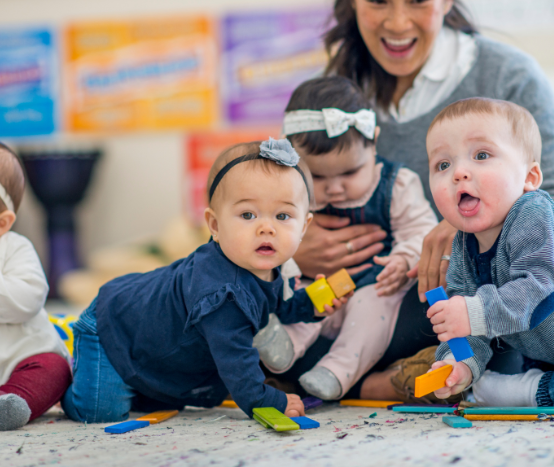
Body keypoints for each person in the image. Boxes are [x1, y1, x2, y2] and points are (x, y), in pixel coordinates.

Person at [288, 0, 554, 400]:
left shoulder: (507, 77)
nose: (398, 23)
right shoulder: (336, 98)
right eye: (377, 0)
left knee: (455, 320)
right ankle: (371, 378)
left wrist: (461, 231)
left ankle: (373, 381)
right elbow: (280, 195)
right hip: (356, 298)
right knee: (243, 305)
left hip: (455, 302)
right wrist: (297, 241)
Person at [62, 139, 352, 423]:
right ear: (215, 225)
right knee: (101, 411)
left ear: (304, 226)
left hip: (148, 342)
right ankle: (63, 373)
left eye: (283, 215)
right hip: (111, 326)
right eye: (248, 215)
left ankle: (133, 382)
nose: (267, 228)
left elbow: (279, 306)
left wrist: (312, 305)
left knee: (154, 398)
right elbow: (236, 363)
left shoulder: (268, 267)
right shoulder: (222, 294)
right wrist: (267, 400)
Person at [254, 77, 437, 400]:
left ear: (374, 143)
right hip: (319, 286)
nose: (335, 188)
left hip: (375, 285)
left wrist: (404, 259)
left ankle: (337, 372)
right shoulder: (287, 191)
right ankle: (282, 349)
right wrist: (288, 255)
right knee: (300, 299)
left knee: (371, 310)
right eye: (319, 177)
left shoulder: (395, 185)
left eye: (350, 173)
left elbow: (422, 231)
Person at [425, 98, 554, 407]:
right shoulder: (463, 245)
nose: (458, 173)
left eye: (481, 155)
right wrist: (458, 365)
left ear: (529, 178)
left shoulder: (535, 213)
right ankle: (540, 386)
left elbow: (540, 290)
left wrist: (472, 311)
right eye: (443, 164)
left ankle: (530, 392)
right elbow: (472, 327)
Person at [0, 143, 71, 431]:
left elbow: (28, 298)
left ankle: (10, 402)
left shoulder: (14, 248)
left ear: (2, 223)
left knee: (54, 368)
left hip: (23, 358)